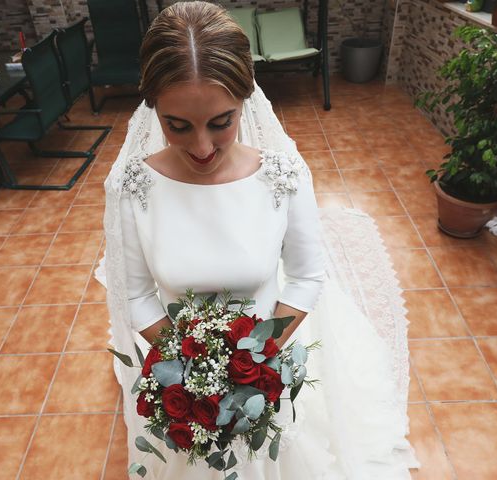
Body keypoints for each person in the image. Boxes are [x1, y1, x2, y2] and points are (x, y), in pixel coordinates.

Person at [98, 2, 419, 478]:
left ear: (246, 100)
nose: (202, 148)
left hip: (269, 357)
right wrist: (195, 378)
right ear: (153, 110)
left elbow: (307, 277)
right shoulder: (134, 186)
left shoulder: (283, 174)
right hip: (184, 370)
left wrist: (252, 363)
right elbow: (137, 294)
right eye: (178, 125)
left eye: (221, 122)